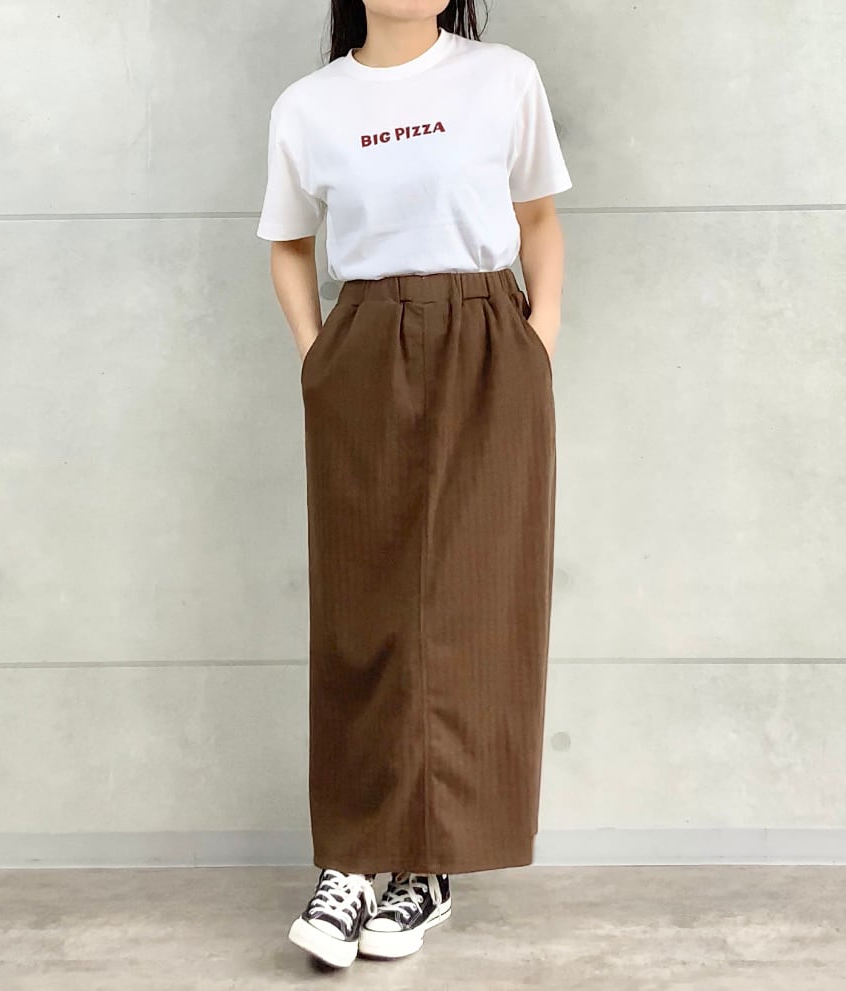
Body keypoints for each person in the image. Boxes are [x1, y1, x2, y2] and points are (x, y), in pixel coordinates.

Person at [256, 0, 572, 970]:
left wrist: (537, 341)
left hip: (487, 340)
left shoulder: (502, 78)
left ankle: (428, 865)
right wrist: (319, 357)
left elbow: (538, 219)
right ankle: (354, 858)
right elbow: (287, 243)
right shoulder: (310, 105)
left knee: (473, 603)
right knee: (366, 603)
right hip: (364, 347)